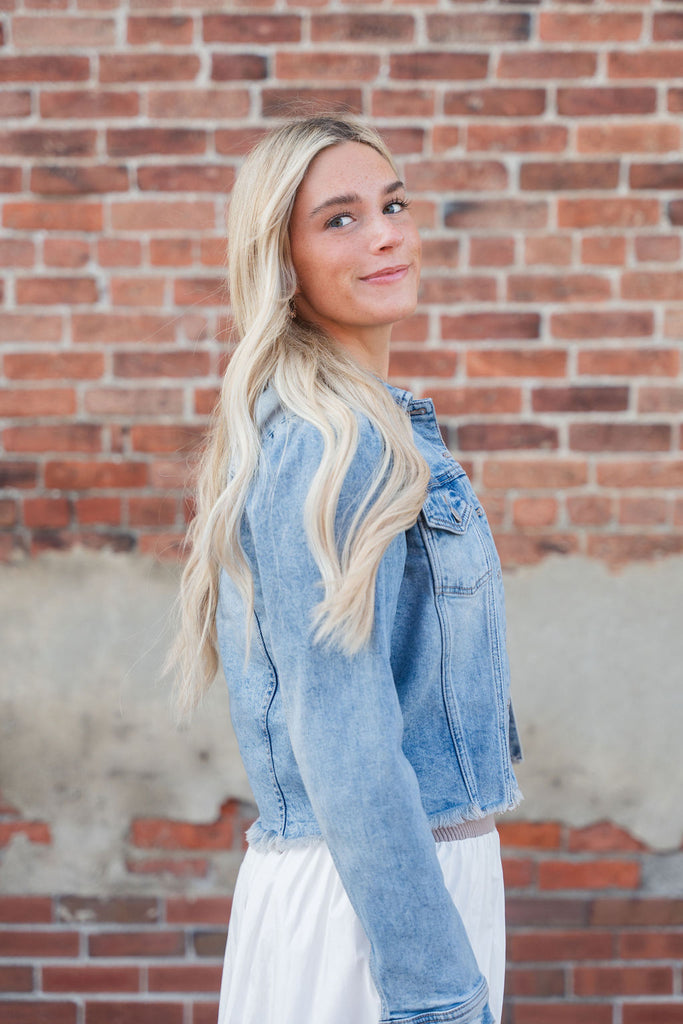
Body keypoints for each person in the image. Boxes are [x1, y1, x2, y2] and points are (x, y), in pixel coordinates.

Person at [168, 114, 523, 1024]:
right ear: (282, 263)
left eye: (392, 205)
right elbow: (345, 741)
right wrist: (435, 993)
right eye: (339, 219)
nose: (385, 235)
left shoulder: (360, 428)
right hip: (377, 913)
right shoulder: (336, 446)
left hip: (402, 885)